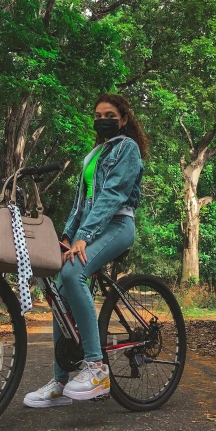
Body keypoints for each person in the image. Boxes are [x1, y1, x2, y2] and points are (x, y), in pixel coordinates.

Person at [24, 94, 148, 408]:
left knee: (72, 272)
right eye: (97, 114)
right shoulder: (93, 155)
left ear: (122, 119)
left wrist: (86, 235)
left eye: (109, 114)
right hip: (91, 228)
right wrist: (67, 237)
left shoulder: (127, 149)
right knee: (59, 288)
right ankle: (62, 380)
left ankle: (95, 367)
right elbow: (81, 204)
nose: (102, 119)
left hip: (118, 225)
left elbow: (113, 195)